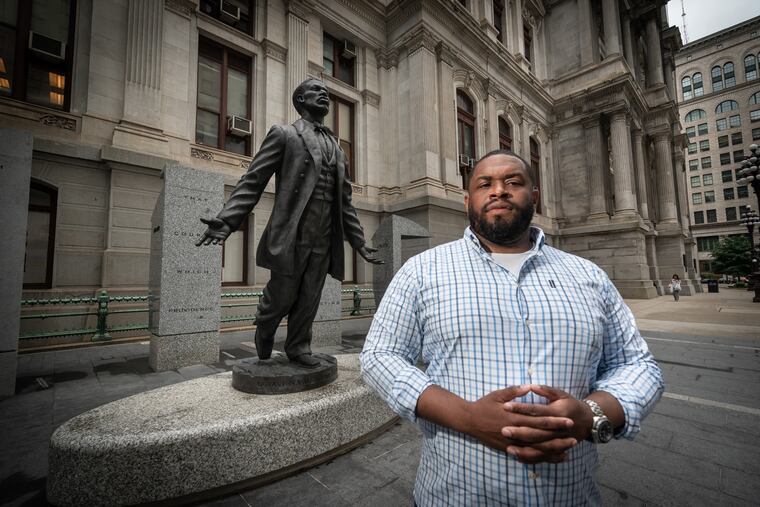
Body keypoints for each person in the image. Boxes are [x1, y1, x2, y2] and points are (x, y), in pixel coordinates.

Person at [360, 150, 664, 505]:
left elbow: (638, 365)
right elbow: (381, 355)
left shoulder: (588, 276)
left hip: (569, 496)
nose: (498, 191)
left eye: (513, 182)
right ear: (467, 199)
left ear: (533, 197)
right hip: (454, 495)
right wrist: (467, 417)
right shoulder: (422, 271)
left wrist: (590, 414)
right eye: (484, 183)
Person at [197, 78, 382, 368]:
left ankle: (298, 346)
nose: (324, 95)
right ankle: (266, 323)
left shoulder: (338, 150)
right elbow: (253, 180)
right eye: (316, 91)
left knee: (310, 295)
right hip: (292, 233)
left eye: (326, 92)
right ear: (300, 100)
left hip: (324, 236)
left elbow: (345, 203)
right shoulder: (284, 135)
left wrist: (359, 242)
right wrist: (227, 220)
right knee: (282, 295)